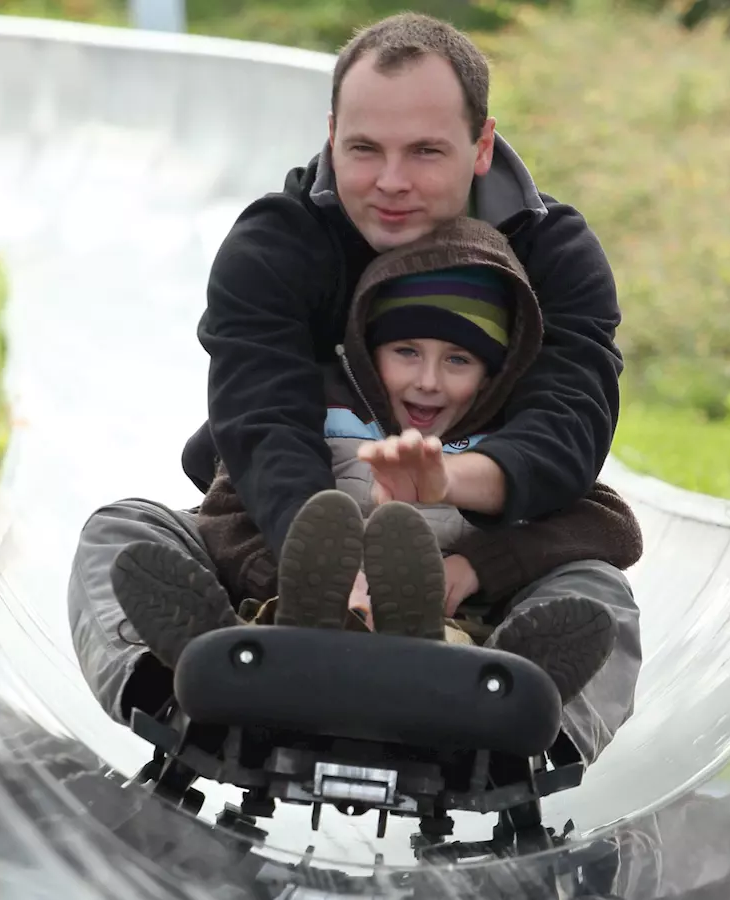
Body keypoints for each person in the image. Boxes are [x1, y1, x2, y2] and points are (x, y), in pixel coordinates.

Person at [68, 12, 637, 765]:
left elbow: (571, 427)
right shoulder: (275, 242)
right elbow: (260, 424)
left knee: (599, 596)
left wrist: (447, 508)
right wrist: (330, 571)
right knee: (119, 532)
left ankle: (521, 738)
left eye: (426, 152)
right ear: (332, 132)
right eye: (364, 150)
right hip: (285, 558)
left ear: (481, 146)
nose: (390, 182)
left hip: (472, 579)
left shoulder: (555, 255)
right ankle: (189, 695)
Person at [138, 217, 640, 721]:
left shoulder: (507, 442)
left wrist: (476, 569)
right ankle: (172, 678)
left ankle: (534, 711)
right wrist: (306, 578)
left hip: (458, 650)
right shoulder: (314, 413)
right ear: (366, 347)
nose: (428, 381)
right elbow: (224, 507)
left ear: (494, 372)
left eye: (459, 360)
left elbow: (612, 524)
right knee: (133, 528)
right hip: (289, 622)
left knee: (599, 591)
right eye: (406, 352)